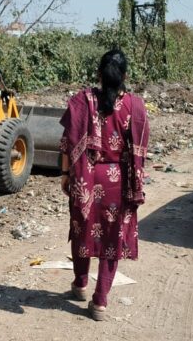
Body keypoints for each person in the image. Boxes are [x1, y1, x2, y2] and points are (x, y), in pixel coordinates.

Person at [59, 48, 150, 321]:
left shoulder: (82, 101)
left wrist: (66, 175)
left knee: (82, 228)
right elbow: (140, 147)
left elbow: (67, 142)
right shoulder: (135, 106)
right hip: (117, 182)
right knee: (112, 237)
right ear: (125, 76)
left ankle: (80, 284)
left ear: (99, 74)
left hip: (86, 177)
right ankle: (100, 302)